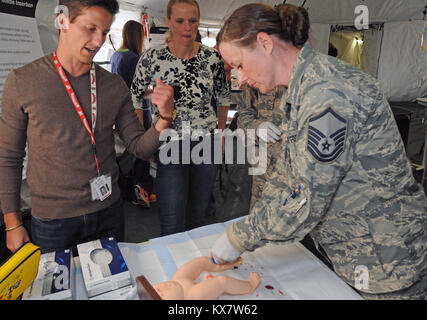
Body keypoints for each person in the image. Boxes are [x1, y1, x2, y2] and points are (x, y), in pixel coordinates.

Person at [210, 3, 426, 300]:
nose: (241, 79)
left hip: (386, 263)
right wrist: (249, 227)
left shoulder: (325, 93)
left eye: (240, 65)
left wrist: (240, 237)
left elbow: (307, 197)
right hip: (357, 252)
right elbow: (289, 173)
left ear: (264, 43)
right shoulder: (303, 88)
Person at [0, 0, 175, 255]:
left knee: (114, 292)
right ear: (63, 20)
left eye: (104, 32)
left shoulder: (113, 86)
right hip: (53, 221)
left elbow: (139, 147)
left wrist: (165, 119)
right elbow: (8, 158)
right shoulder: (24, 81)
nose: (98, 41)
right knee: (57, 295)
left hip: (108, 212)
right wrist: (12, 223)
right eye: (90, 28)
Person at [130, 0, 231, 236]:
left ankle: (195, 270)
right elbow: (135, 98)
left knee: (198, 218)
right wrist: (144, 140)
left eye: (193, 21)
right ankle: (175, 272)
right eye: (180, 21)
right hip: (170, 144)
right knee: (172, 222)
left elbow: (224, 97)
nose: (188, 27)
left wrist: (223, 134)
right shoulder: (152, 57)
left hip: (205, 143)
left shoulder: (212, 58)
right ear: (168, 22)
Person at [110, 20, 155, 207]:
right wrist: (155, 92)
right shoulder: (134, 58)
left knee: (129, 151)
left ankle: (132, 188)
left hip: (120, 110)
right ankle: (141, 190)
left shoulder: (115, 55)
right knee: (143, 149)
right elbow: (141, 90)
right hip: (138, 110)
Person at [236, 85, 286, 211]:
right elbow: (243, 115)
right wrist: (256, 127)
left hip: (292, 172)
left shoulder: (307, 77)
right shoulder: (255, 78)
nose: (241, 78)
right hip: (263, 168)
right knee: (258, 213)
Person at [152, 256, 260, 300]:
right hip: (190, 294)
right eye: (162, 294)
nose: (163, 287)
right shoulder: (193, 295)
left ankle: (224, 265)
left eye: (157, 288)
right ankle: (249, 286)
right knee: (222, 282)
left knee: (202, 261)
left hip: (178, 280)